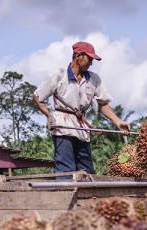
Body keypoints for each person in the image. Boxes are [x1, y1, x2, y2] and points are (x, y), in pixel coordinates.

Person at [33, 41, 130, 174]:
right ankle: (65, 193)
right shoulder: (59, 75)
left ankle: (88, 194)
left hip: (82, 128)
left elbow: (103, 104)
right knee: (66, 169)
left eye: (92, 60)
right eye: (89, 59)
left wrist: (118, 122)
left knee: (87, 171)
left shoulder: (94, 79)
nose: (91, 63)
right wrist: (48, 115)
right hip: (63, 125)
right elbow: (38, 98)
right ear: (78, 56)